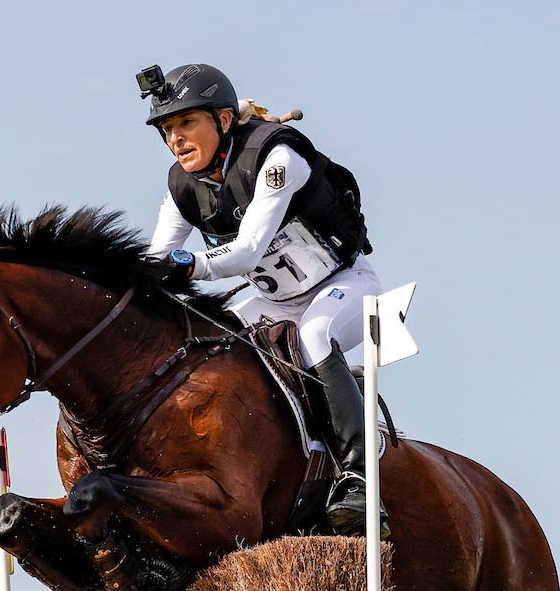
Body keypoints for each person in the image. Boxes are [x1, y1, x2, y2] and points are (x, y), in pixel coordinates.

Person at [136, 62, 383, 535]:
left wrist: (192, 265)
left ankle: (358, 475)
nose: (176, 139)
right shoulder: (181, 188)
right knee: (213, 342)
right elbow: (155, 257)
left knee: (313, 335)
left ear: (224, 120)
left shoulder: (276, 159)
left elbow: (247, 251)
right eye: (168, 129)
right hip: (275, 300)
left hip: (346, 285)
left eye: (187, 122)